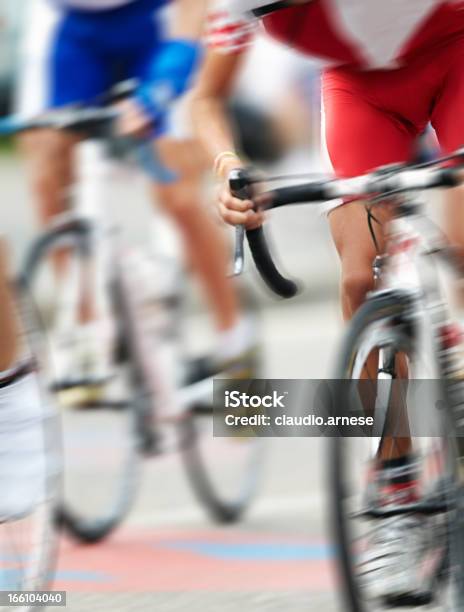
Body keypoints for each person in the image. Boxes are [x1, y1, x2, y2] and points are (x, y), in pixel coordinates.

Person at [191, 0, 464, 602]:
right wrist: (228, 166)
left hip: (457, 54)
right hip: (361, 91)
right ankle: (396, 494)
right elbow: (206, 99)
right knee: (360, 281)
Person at [15, 0, 255, 392]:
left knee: (176, 193)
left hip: (157, 24)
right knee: (45, 159)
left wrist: (164, 85)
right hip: (75, 28)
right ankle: (86, 331)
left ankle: (235, 341)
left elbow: (195, 11)